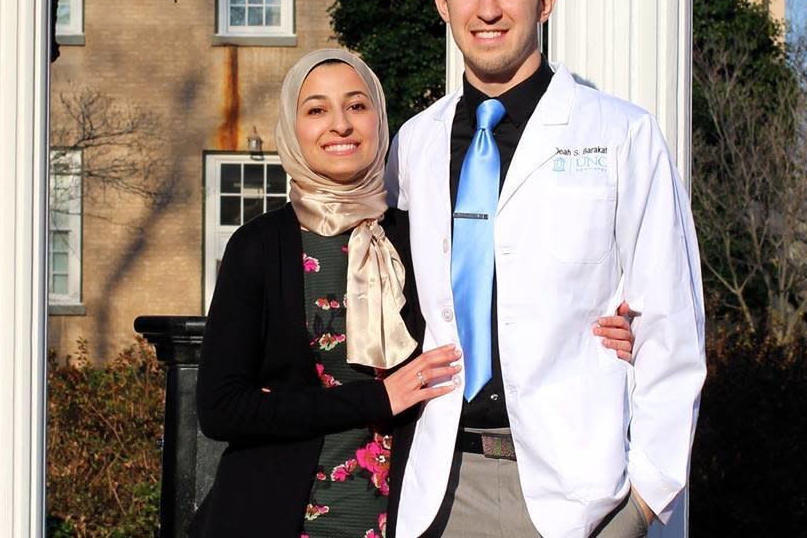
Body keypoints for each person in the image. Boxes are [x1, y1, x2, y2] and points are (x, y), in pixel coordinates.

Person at [190, 47, 639, 537]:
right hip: (277, 515)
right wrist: (376, 400)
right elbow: (222, 408)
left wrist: (605, 328)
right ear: (291, 129)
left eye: (357, 106)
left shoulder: (420, 233)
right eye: (316, 109)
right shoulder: (258, 247)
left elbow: (502, 305)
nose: (340, 124)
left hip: (409, 516)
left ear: (380, 121)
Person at [385, 0, 707, 538]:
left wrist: (643, 504)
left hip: (576, 496)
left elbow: (673, 325)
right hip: (437, 487)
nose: (488, 9)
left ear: (545, 1)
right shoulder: (413, 145)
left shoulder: (621, 134)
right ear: (442, 3)